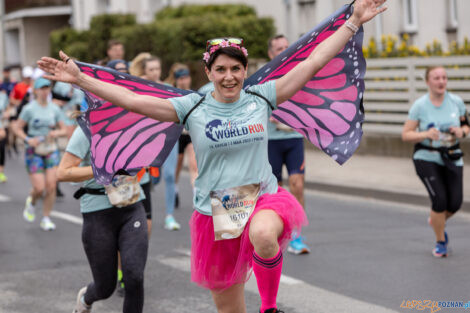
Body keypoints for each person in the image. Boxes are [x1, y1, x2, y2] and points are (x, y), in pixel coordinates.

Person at [38, 1, 386, 311]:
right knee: (229, 307)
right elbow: (131, 100)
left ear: (245, 71)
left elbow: (314, 61)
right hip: (217, 212)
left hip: (263, 197)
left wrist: (353, 21)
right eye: (221, 69)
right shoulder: (193, 107)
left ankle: (269, 308)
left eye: (236, 69)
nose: (229, 76)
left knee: (265, 236)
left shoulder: (263, 97)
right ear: (209, 73)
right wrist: (82, 80)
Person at [57, 126, 148, 313]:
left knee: (134, 276)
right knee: (105, 287)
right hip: (97, 211)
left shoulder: (133, 122)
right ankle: (85, 298)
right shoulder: (86, 129)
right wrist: (101, 169)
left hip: (132, 205)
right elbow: (64, 172)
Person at [402, 66, 469, 258]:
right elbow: (406, 135)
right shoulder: (420, 106)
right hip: (426, 156)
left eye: (444, 78)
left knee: (455, 203)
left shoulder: (456, 102)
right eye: (436, 78)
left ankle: (436, 219)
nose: (441, 81)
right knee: (439, 200)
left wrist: (461, 132)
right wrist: (425, 134)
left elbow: (466, 126)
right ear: (427, 82)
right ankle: (441, 241)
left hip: (452, 155)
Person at [266, 34, 310, 255]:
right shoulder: (265, 77)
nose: (284, 51)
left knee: (298, 185)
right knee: (277, 191)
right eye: (279, 48)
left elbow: (307, 102)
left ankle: (297, 236)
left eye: (286, 46)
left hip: (293, 139)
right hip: (271, 141)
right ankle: (278, 231)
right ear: (271, 53)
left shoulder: (297, 73)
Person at [11, 77, 67, 231]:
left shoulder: (54, 109)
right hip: (33, 150)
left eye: (47, 88)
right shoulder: (29, 108)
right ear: (35, 91)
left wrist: (56, 133)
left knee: (51, 186)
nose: (45, 91)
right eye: (42, 88)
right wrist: (28, 139)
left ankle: (46, 218)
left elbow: (64, 129)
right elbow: (17, 128)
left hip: (50, 149)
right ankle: (32, 200)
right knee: (39, 188)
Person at [141, 56, 180, 230]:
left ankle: (169, 216)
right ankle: (140, 212)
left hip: (170, 137)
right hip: (149, 140)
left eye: (157, 68)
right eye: (151, 69)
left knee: (170, 175)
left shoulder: (169, 89)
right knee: (150, 178)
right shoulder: (140, 90)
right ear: (145, 72)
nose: (155, 72)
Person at [165, 63, 199, 207]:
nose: (184, 81)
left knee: (194, 165)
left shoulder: (194, 94)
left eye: (186, 77)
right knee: (177, 167)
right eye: (181, 79)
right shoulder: (172, 95)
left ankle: (196, 196)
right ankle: (175, 189)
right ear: (176, 80)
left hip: (190, 134)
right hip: (177, 135)